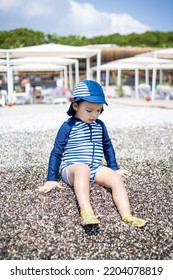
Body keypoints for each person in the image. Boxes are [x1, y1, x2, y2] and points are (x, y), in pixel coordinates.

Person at [38, 80, 146, 228]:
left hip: (95, 167)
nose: (94, 114)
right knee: (82, 169)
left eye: (98, 110)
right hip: (72, 169)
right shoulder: (68, 126)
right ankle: (87, 212)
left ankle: (127, 215)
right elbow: (57, 152)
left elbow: (107, 146)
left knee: (115, 178)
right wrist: (51, 179)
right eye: (89, 110)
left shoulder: (99, 125)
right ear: (76, 106)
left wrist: (114, 168)